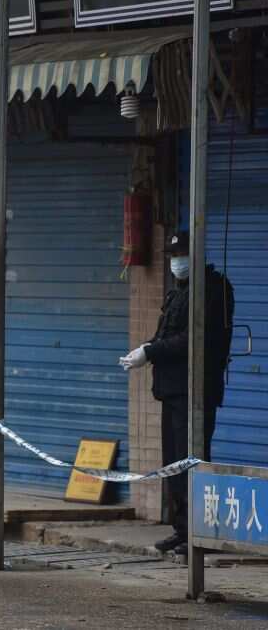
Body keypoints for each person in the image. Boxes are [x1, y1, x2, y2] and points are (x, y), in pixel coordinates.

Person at [120, 231, 234, 555]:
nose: (176, 262)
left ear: (196, 255)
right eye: (172, 256)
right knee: (173, 464)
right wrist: (146, 351)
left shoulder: (214, 290)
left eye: (181, 255)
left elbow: (194, 339)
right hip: (171, 391)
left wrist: (150, 351)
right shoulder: (178, 292)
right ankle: (183, 529)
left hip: (196, 392)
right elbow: (166, 333)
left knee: (192, 462)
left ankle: (201, 533)